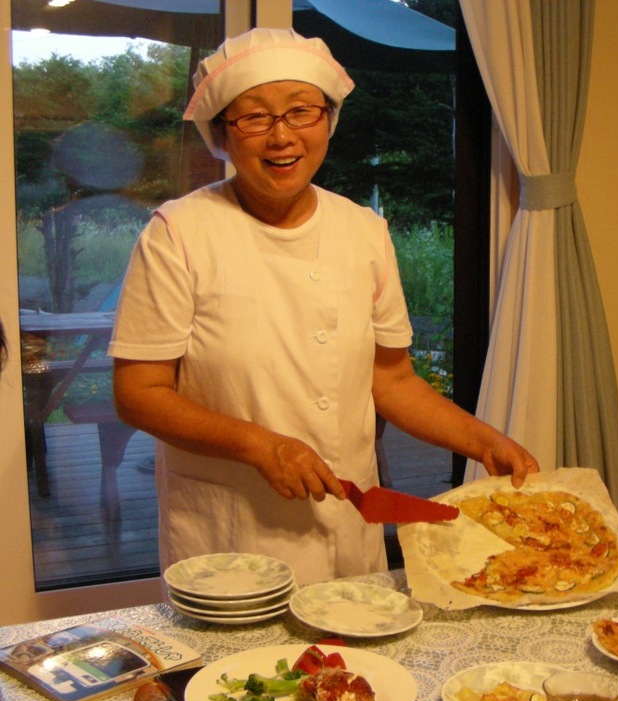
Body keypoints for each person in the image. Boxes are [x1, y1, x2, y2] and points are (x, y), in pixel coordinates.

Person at [108, 28, 539, 584]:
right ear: (223, 134)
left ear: (328, 121)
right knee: (244, 671)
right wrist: (259, 445)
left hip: (346, 518)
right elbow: (139, 395)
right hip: (231, 530)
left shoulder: (364, 231)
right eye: (255, 117)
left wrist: (486, 442)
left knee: (351, 665)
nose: (281, 137)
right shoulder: (179, 234)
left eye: (301, 112)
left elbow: (393, 381)